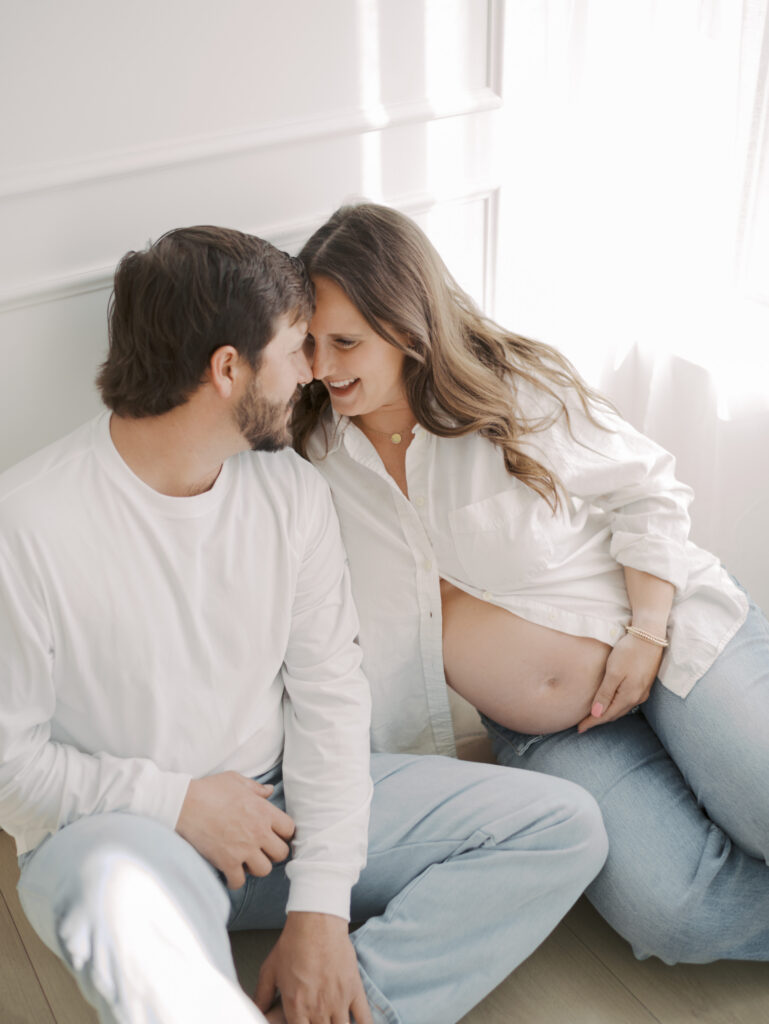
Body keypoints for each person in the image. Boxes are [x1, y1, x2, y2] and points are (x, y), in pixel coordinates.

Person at [0, 225, 608, 1024]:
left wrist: (319, 908)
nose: (311, 372)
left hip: (281, 814)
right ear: (227, 369)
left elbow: (327, 697)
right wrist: (175, 800)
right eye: (294, 348)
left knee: (561, 825)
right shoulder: (28, 522)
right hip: (121, 831)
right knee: (121, 911)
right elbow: (10, 766)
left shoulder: (290, 494)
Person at [292, 202, 769, 965]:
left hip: (667, 635)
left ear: (407, 327)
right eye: (308, 343)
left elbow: (646, 491)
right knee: (673, 914)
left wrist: (646, 634)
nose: (319, 366)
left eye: (344, 342)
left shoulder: (505, 390)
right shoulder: (311, 457)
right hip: (557, 735)